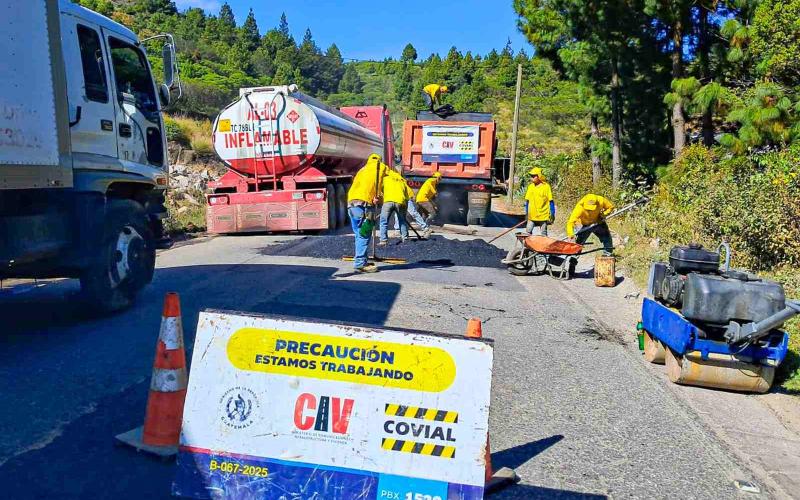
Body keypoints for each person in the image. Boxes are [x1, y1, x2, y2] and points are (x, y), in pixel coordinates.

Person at [347, 154, 388, 273]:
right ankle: (360, 263)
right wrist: (378, 199)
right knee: (364, 233)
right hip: (364, 205)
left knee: (358, 233)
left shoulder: (362, 170)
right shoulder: (381, 168)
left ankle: (362, 259)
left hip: (351, 203)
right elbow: (378, 187)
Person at [378, 170, 410, 245]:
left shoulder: (385, 179)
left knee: (383, 221)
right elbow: (407, 196)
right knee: (402, 221)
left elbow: (380, 191)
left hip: (388, 201)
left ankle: (383, 240)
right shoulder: (402, 180)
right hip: (400, 202)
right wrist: (405, 210)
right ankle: (405, 238)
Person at [523, 167, 554, 235]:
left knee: (543, 233)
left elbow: (551, 201)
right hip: (532, 215)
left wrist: (552, 214)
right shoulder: (531, 187)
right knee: (528, 231)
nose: (531, 178)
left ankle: (544, 245)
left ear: (539, 176)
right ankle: (529, 244)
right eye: (531, 176)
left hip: (543, 215)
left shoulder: (546, 187)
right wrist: (526, 213)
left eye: (534, 176)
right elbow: (527, 201)